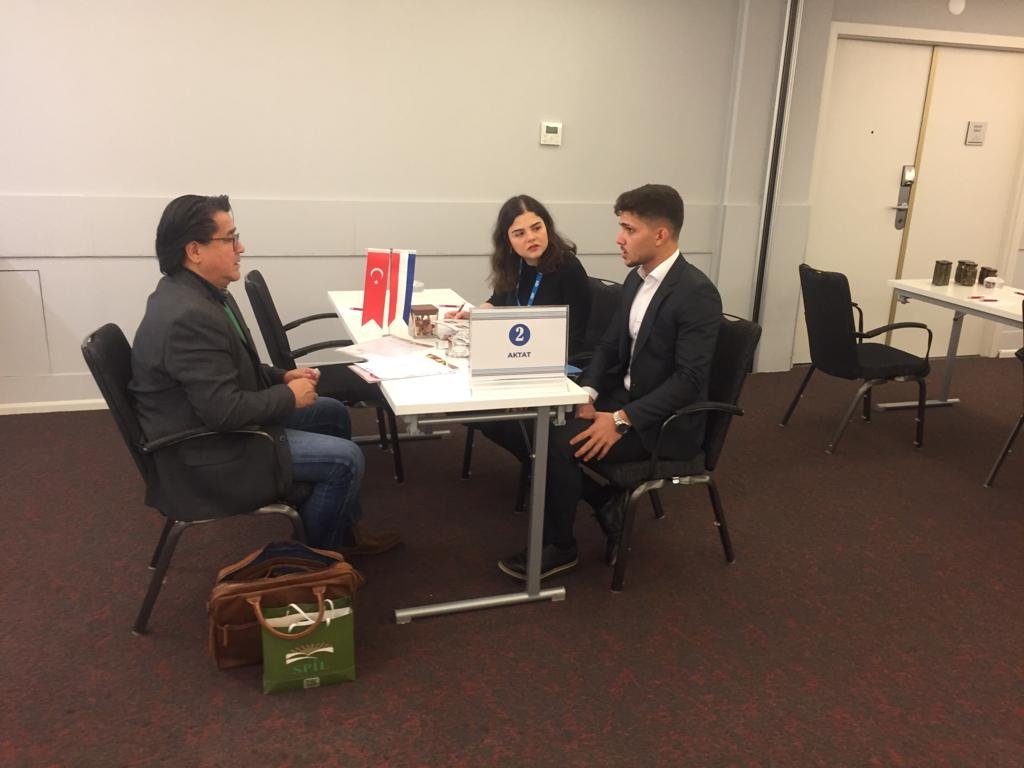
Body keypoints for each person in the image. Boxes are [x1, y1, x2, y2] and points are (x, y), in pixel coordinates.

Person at [129, 194, 399, 554]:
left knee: (332, 413)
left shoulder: (200, 294)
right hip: (206, 451)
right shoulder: (188, 317)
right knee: (345, 460)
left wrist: (281, 377)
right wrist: (288, 396)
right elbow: (223, 411)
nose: (241, 247)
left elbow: (232, 368)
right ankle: (312, 564)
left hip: (212, 428)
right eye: (230, 239)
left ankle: (344, 531)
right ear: (194, 251)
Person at [497, 184, 722, 580]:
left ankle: (561, 547)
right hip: (623, 399)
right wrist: (588, 393)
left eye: (629, 229)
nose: (619, 238)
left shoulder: (696, 294)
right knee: (540, 423)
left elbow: (688, 381)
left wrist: (621, 419)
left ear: (660, 234)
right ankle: (606, 502)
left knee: (556, 442)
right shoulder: (637, 280)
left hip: (665, 423)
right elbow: (608, 346)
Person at [448, 194, 592, 463]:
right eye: (519, 233)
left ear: (547, 227)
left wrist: (531, 376)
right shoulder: (514, 264)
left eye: (537, 228)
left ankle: (543, 467)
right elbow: (498, 299)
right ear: (508, 241)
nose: (531, 238)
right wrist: (473, 315)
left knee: (490, 415)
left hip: (557, 363)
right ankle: (536, 462)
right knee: (467, 405)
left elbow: (576, 335)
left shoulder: (567, 267)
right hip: (519, 357)